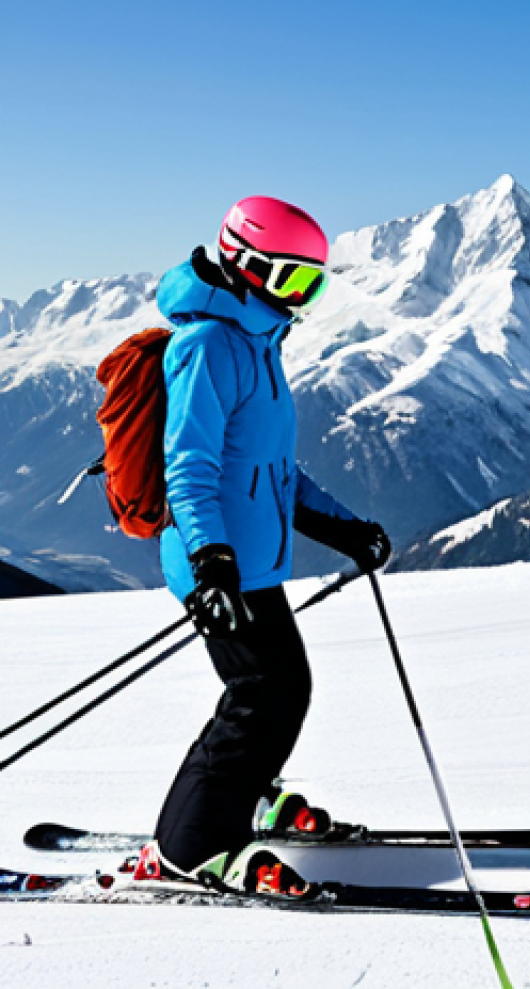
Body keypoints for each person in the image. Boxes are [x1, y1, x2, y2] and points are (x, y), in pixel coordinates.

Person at [137, 196, 390, 885]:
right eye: (291, 279)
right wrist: (210, 561)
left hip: (245, 560)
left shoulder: (258, 338)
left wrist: (340, 526)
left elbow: (271, 466)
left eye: (312, 283)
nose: (300, 298)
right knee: (262, 693)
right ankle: (186, 847)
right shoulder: (209, 344)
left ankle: (251, 797)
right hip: (216, 562)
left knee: (281, 688)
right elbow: (187, 465)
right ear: (246, 262)